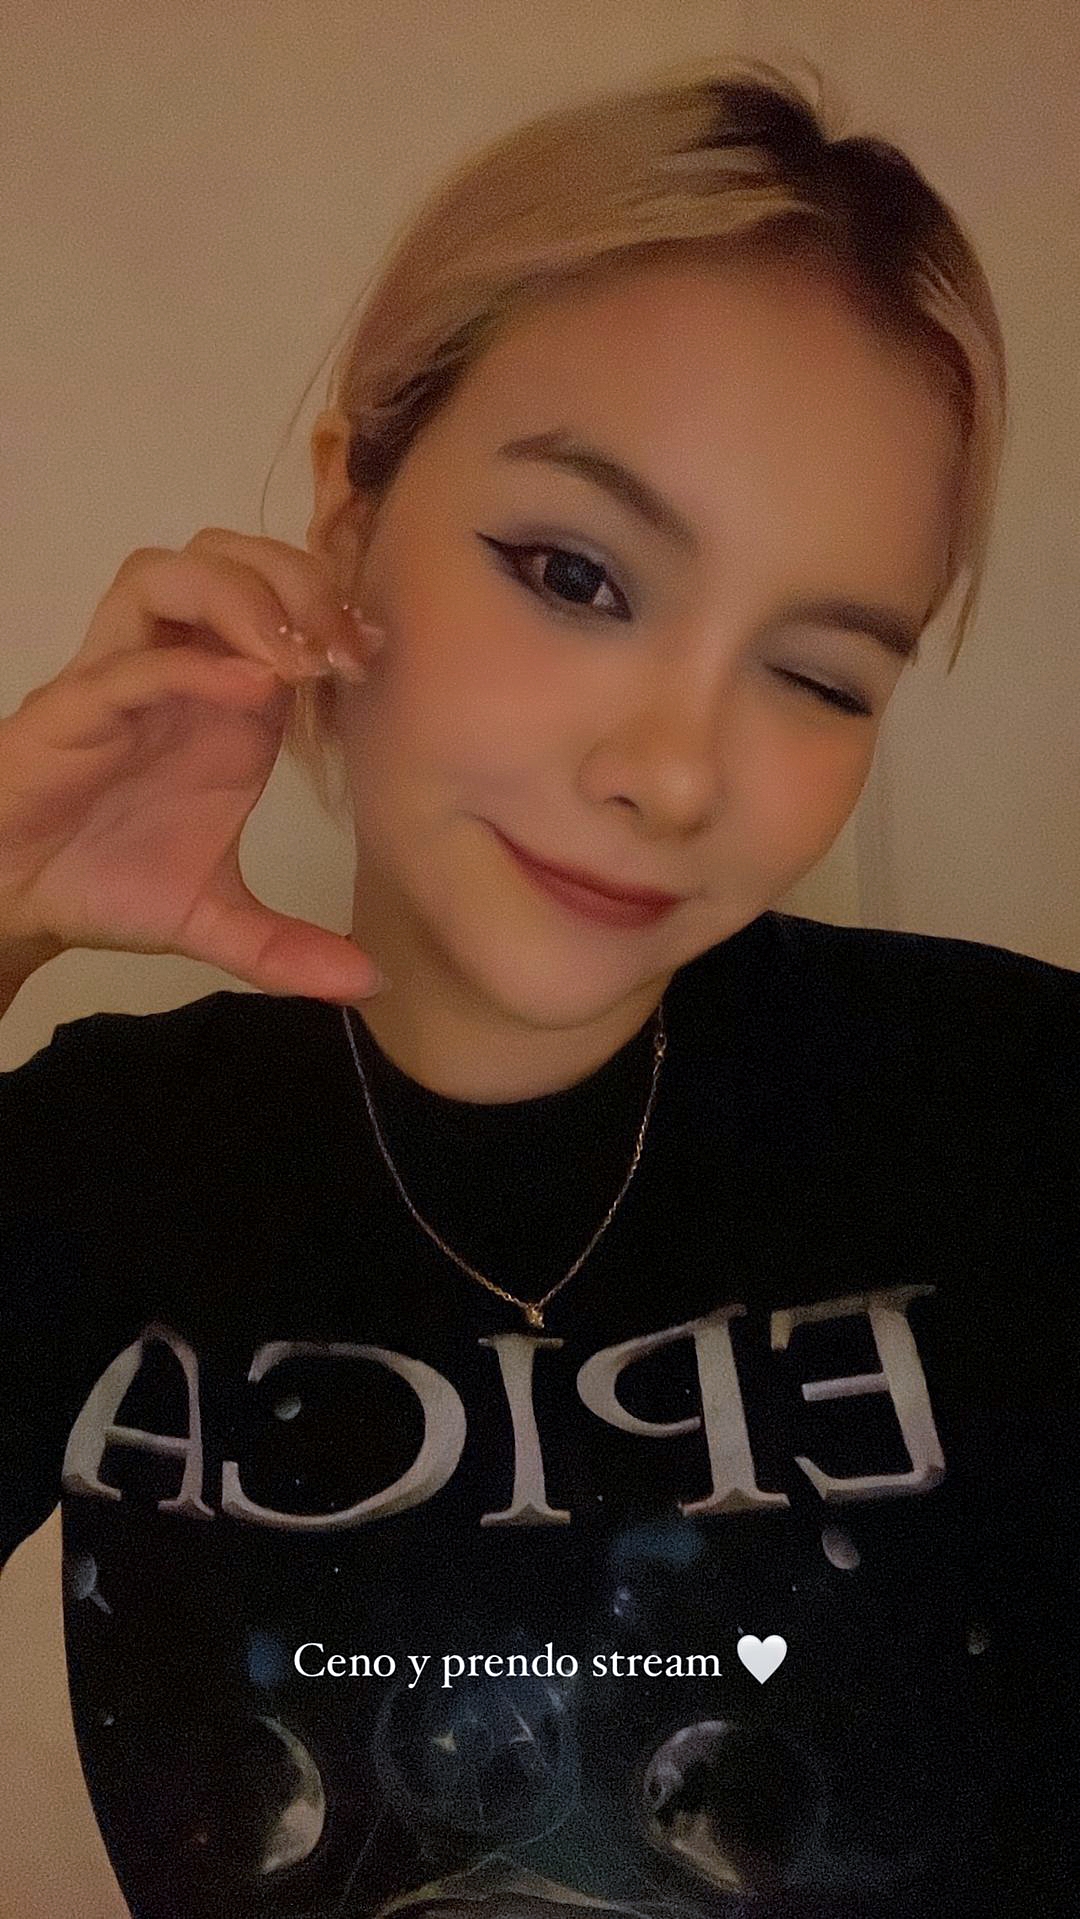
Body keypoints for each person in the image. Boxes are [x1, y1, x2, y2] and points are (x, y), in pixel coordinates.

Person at [0, 51, 1077, 1919]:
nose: (674, 774)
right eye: (575, 573)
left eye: (819, 677)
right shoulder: (104, 1162)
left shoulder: (1013, 1105)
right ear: (349, 528)